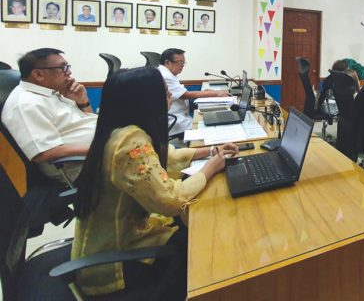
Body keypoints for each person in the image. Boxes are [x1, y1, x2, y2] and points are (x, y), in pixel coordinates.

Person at [71, 67, 239, 298]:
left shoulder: (119, 130)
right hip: (115, 263)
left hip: (113, 239)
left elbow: (163, 156)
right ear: (146, 100)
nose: (169, 96)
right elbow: (170, 200)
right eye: (165, 92)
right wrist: (210, 168)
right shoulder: (130, 143)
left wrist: (210, 151)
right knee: (206, 237)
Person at [1, 48, 96, 184]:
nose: (69, 72)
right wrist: (98, 148)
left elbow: (88, 123)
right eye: (62, 68)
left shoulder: (52, 93)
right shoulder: (26, 104)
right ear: (38, 74)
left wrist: (83, 102)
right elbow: (44, 152)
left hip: (97, 154)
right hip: (81, 168)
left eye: (67, 66)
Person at [157, 48, 228, 136]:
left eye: (183, 63)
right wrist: (217, 93)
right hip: (175, 119)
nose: (182, 66)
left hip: (180, 114)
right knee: (204, 127)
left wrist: (204, 92)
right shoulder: (165, 76)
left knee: (206, 120)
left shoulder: (167, 73)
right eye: (180, 62)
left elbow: (181, 92)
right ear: (167, 62)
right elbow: (186, 95)